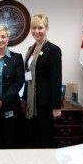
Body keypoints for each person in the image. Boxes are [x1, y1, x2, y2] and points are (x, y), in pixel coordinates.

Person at [24, 13, 62, 148]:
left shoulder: (53, 50)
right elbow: (27, 75)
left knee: (45, 138)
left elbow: (57, 79)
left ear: (46, 28)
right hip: (31, 101)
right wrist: (24, 99)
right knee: (33, 137)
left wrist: (57, 106)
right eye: (33, 28)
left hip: (45, 103)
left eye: (40, 28)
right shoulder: (30, 49)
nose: (36, 31)